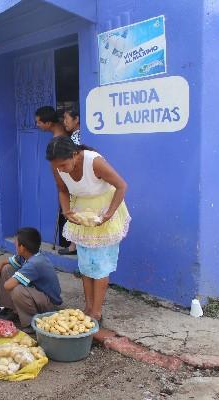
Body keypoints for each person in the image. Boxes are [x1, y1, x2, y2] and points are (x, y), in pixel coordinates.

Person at [46, 136, 131, 324]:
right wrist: (66, 210)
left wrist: (108, 214)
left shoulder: (94, 162)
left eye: (64, 165)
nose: (60, 169)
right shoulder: (57, 166)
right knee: (85, 264)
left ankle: (97, 312)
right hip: (82, 214)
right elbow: (62, 190)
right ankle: (88, 307)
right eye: (57, 166)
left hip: (104, 213)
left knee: (100, 266)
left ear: (75, 154)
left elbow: (121, 186)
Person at [0, 227, 62, 333]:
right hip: (37, 294)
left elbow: (8, 286)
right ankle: (11, 310)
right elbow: (1, 263)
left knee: (17, 290)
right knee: (7, 268)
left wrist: (16, 277)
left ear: (22, 248)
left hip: (49, 304)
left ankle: (31, 322)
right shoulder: (25, 255)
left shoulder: (35, 263)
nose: (14, 244)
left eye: (16, 243)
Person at [58, 106, 82, 255]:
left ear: (76, 119)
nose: (64, 122)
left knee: (75, 211)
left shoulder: (76, 138)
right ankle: (74, 245)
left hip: (76, 181)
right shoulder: (79, 135)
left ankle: (74, 246)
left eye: (66, 119)